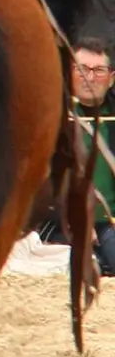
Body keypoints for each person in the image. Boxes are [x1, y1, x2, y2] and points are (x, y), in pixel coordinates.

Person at [67, 38, 115, 276]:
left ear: (112, 78)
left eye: (99, 70)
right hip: (62, 224)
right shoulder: (53, 119)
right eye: (82, 68)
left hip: (110, 225)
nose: (90, 77)